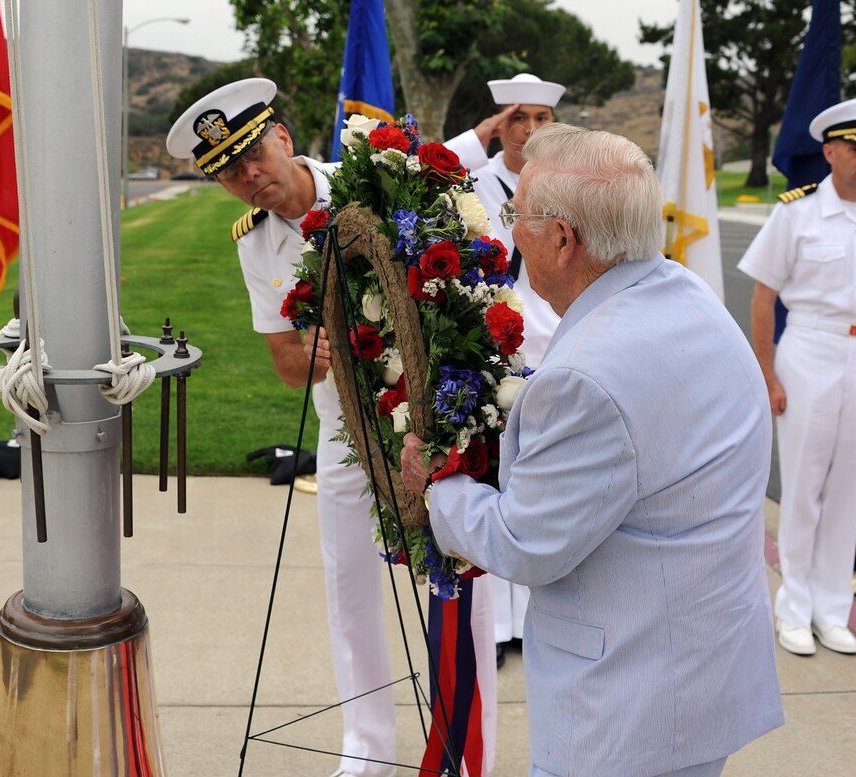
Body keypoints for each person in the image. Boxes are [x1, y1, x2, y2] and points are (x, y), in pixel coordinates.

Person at [400, 123, 783, 777]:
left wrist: (436, 485)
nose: (508, 231)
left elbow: (526, 543)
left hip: (626, 706)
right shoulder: (692, 298)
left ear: (562, 238)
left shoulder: (584, 373)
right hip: (701, 672)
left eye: (517, 216)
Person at [166, 78, 497, 777]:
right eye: (228, 170)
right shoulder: (255, 246)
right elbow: (287, 362)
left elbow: (461, 281)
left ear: (283, 137)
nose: (248, 175)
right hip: (345, 435)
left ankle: (471, 750)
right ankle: (368, 745)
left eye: (252, 152)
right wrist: (310, 352)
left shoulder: (377, 179)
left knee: (460, 587)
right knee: (348, 584)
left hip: (436, 421)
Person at [738, 97, 856, 657]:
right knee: (803, 490)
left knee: (848, 491)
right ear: (829, 151)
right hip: (810, 352)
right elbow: (763, 296)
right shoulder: (796, 213)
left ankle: (832, 610)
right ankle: (794, 608)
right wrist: (767, 373)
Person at [447, 73, 566, 667]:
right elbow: (429, 170)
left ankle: (532, 621)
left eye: (545, 119)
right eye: (522, 118)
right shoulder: (474, 181)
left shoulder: (567, 189)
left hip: (561, 350)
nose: (534, 129)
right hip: (496, 356)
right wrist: (480, 137)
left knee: (541, 488)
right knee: (492, 481)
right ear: (501, 124)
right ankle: (493, 626)